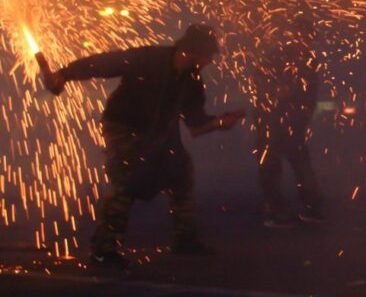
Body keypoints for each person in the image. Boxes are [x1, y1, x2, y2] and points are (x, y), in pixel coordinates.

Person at [42, 24, 244, 265]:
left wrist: (219, 123)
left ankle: (185, 240)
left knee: (181, 173)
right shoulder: (149, 59)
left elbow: (196, 125)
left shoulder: (191, 81)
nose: (210, 61)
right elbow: (104, 63)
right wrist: (63, 74)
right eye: (208, 55)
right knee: (128, 177)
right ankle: (103, 248)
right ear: (193, 52)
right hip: (123, 126)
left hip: (159, 132)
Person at [252, 16, 325, 227]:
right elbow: (260, 79)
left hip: (290, 122)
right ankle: (276, 211)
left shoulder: (308, 60)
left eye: (309, 36)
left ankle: (308, 207)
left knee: (299, 165)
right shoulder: (280, 55)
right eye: (304, 35)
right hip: (272, 120)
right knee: (273, 166)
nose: (306, 39)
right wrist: (275, 96)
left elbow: (308, 96)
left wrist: (300, 118)